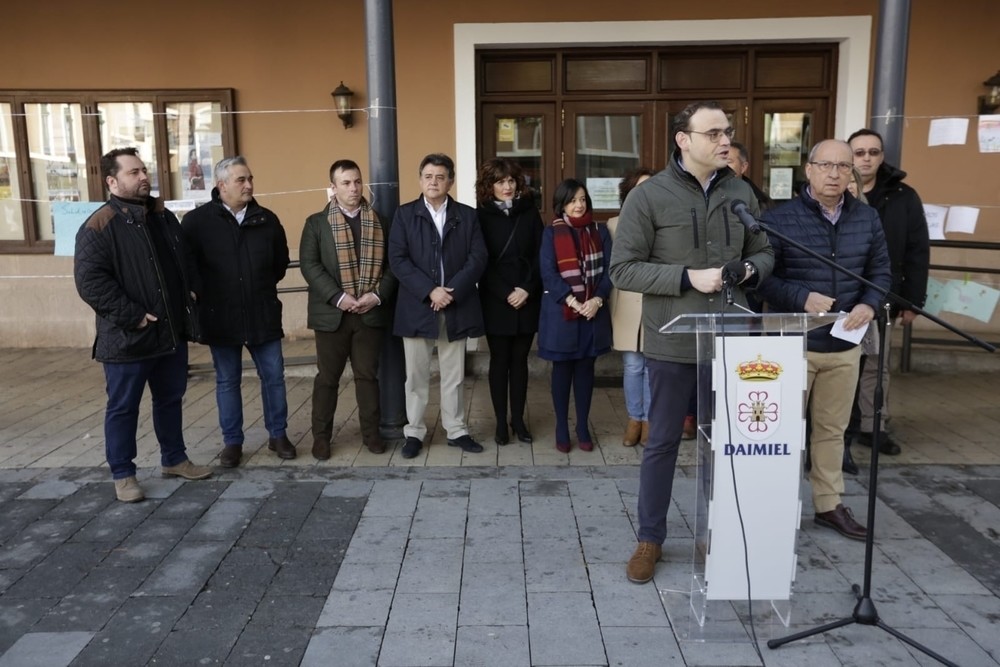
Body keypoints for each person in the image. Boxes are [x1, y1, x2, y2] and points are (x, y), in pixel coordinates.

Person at [609, 101, 774, 584]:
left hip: (733, 342)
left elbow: (764, 250)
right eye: (714, 133)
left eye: (728, 132)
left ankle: (725, 532)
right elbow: (623, 268)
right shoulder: (649, 197)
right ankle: (650, 538)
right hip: (672, 344)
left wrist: (750, 269)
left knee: (728, 444)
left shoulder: (741, 191)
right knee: (661, 444)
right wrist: (686, 277)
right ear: (684, 139)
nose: (726, 140)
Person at [756, 139, 891, 541]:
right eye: (826, 165)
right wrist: (801, 297)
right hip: (791, 344)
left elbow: (881, 270)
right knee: (781, 430)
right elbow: (765, 278)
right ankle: (774, 506)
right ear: (809, 169)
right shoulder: (779, 219)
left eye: (843, 167)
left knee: (832, 430)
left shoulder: (867, 219)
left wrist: (870, 303)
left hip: (845, 343)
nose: (835, 174)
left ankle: (828, 504)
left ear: (853, 174)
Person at [74, 148, 212, 502]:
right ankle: (123, 474)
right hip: (128, 337)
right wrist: (133, 316)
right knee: (123, 407)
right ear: (112, 180)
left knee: (170, 398)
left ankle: (174, 459)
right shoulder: (99, 225)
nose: (143, 177)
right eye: (133, 172)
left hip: (170, 331)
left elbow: (186, 259)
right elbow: (91, 282)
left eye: (144, 170)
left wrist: (192, 291)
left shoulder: (163, 218)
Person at [182, 156, 294, 468]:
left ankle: (278, 435)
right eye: (241, 180)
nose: (249, 185)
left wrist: (257, 286)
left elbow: (279, 263)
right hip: (221, 315)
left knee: (273, 377)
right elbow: (188, 267)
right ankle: (232, 442)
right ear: (222, 186)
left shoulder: (266, 219)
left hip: (262, 313)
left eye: (250, 178)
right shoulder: (196, 223)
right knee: (227, 380)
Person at [388, 153, 488, 459]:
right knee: (416, 375)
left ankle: (456, 429)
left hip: (455, 306)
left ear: (451, 181)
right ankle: (415, 431)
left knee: (454, 373)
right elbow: (398, 260)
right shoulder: (405, 215)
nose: (434, 182)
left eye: (440, 176)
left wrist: (451, 292)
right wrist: (430, 290)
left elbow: (478, 257)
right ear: (420, 180)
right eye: (428, 176)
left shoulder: (467, 216)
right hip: (418, 305)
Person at [300, 160, 396, 458]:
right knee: (327, 378)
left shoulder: (379, 221)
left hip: (369, 313)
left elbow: (393, 266)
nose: (353, 188)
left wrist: (377, 296)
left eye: (357, 182)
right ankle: (321, 438)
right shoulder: (316, 223)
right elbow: (310, 266)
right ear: (333, 187)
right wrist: (339, 297)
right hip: (333, 315)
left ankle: (371, 434)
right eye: (346, 183)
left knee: (367, 377)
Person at [848, 128, 930, 457]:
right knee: (837, 364)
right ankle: (834, 427)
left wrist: (912, 301)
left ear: (882, 156)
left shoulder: (903, 196)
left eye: (874, 152)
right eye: (859, 152)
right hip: (838, 295)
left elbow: (917, 250)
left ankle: (873, 427)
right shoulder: (834, 190)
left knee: (875, 365)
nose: (867, 158)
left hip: (881, 295)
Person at [538, 179, 613, 454]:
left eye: (582, 199)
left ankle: (582, 426)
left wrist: (596, 299)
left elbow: (609, 270)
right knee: (562, 371)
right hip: (562, 314)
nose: (579, 204)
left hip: (593, 312)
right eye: (572, 200)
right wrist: (572, 300)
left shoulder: (600, 231)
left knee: (585, 371)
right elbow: (548, 273)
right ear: (562, 205)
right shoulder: (551, 233)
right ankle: (561, 426)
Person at [475, 157, 543, 446]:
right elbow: (480, 260)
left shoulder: (530, 213)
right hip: (496, 299)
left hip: (527, 297)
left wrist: (527, 288)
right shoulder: (479, 216)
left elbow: (542, 255)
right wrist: (506, 292)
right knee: (499, 361)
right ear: (489, 186)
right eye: (500, 181)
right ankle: (500, 423)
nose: (507, 186)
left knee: (520, 361)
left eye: (511, 180)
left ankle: (518, 419)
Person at [606, 168, 654, 447]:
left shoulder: (665, 223)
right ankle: (634, 418)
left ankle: (649, 420)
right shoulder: (613, 225)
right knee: (633, 365)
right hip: (625, 302)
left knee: (652, 366)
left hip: (655, 301)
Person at [727, 141, 773, 212]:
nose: (722, 166)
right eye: (719, 161)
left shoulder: (761, 202)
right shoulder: (708, 197)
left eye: (728, 162)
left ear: (743, 167)